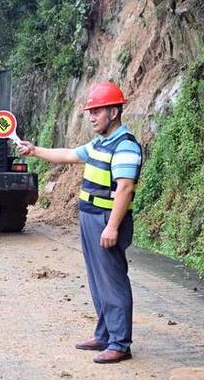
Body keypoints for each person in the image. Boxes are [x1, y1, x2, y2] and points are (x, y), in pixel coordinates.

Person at [17, 82, 142, 364]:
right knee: (98, 281)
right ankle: (105, 335)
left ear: (114, 111)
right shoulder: (100, 143)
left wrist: (112, 227)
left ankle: (120, 344)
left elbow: (124, 189)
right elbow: (69, 155)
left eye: (97, 111)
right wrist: (34, 150)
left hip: (107, 219)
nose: (92, 116)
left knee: (112, 281)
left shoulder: (125, 146)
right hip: (90, 217)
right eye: (90, 112)